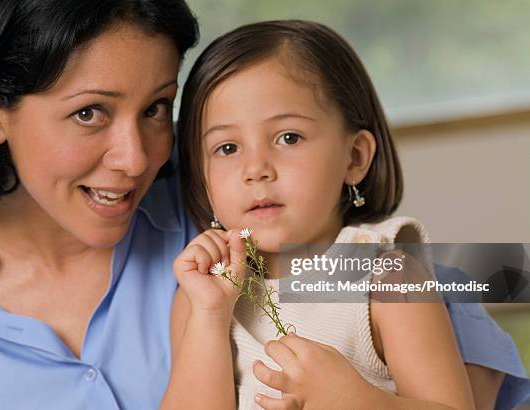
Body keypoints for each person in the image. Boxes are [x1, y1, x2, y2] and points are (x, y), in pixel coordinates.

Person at [162, 20, 530, 410]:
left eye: (289, 137)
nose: (256, 168)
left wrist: (356, 400)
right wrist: (209, 315)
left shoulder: (390, 279)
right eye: (227, 148)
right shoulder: (200, 295)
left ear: (354, 157)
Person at [0, 0, 198, 408]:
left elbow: (322, 276)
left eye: (154, 108)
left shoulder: (229, 191)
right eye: (89, 113)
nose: (136, 159)